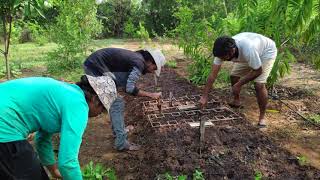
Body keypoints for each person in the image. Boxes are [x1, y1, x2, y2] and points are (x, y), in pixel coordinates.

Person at [0, 75, 115, 180]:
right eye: (102, 109)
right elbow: (67, 162)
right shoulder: (78, 105)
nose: (100, 114)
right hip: (4, 126)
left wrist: (53, 170)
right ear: (95, 99)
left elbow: (42, 140)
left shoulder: (64, 93)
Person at [83, 47, 166, 151]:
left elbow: (121, 80)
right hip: (96, 68)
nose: (151, 71)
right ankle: (121, 143)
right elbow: (129, 89)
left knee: (116, 101)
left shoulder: (137, 58)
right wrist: (151, 95)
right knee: (117, 103)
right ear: (150, 62)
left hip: (96, 65)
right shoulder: (139, 63)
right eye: (154, 68)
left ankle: (119, 132)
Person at [199, 32, 277, 128]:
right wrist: (204, 96)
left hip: (266, 52)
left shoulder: (248, 49)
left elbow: (257, 71)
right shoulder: (221, 52)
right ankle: (237, 101)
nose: (222, 59)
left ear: (232, 51)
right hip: (248, 55)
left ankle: (262, 118)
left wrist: (239, 84)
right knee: (234, 76)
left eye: (224, 58)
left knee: (259, 84)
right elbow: (212, 75)